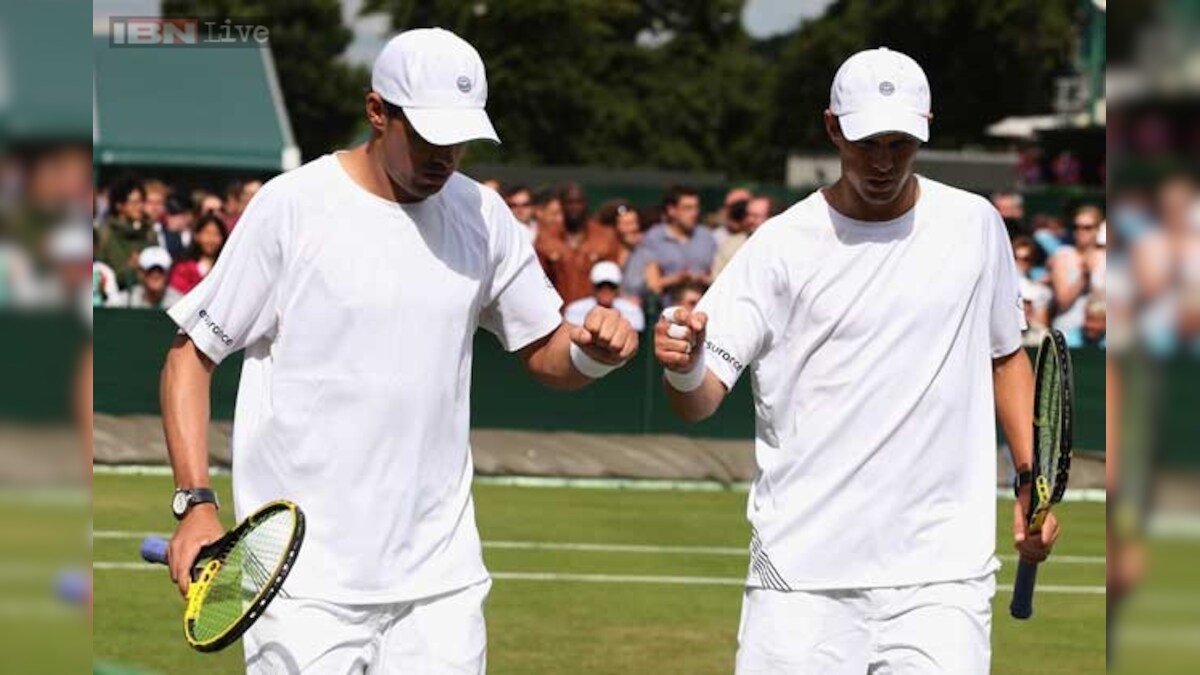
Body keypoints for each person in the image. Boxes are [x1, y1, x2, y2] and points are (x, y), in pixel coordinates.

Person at [161, 28, 637, 675]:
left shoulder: (484, 215)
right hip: (303, 588)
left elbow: (545, 350)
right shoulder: (292, 207)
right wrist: (196, 503)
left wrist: (592, 354)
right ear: (377, 111)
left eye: (459, 138)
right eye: (427, 136)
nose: (445, 155)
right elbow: (188, 358)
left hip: (441, 584)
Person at [654, 47, 1058, 674]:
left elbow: (1005, 359)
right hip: (801, 576)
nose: (883, 160)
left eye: (900, 142)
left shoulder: (976, 225)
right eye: (867, 140)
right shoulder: (780, 245)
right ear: (832, 128)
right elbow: (699, 397)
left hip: (943, 576)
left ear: (925, 127)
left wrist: (1031, 482)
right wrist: (683, 364)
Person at [534, 187, 620, 305]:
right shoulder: (547, 238)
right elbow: (538, 279)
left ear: (586, 204)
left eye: (578, 202)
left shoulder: (604, 237)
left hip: (593, 308)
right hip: (557, 310)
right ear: (562, 205)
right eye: (569, 203)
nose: (574, 207)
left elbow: (613, 279)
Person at [642, 185, 717, 305]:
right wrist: (677, 279)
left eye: (696, 207)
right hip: (667, 310)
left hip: (703, 309)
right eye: (687, 208)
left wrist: (702, 279)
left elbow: (715, 276)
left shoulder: (707, 237)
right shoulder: (654, 239)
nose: (694, 213)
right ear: (672, 210)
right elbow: (652, 284)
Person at [1051, 205, 1105, 336]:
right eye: (1076, 227)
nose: (1081, 231)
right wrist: (1084, 277)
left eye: (1087, 227)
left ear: (1098, 229)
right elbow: (1062, 302)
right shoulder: (1063, 255)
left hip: (1102, 332)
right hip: (1068, 329)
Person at [96, 179, 156, 289]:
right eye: (134, 202)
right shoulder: (105, 235)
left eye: (142, 201)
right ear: (119, 205)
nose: (140, 207)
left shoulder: (149, 232)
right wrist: (130, 268)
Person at [563, 261, 645, 332]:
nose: (606, 291)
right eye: (600, 286)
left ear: (617, 288)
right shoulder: (575, 310)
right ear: (593, 287)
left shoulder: (632, 311)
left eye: (611, 286)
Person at [167, 214, 227, 295]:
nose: (211, 239)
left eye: (216, 234)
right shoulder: (183, 266)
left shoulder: (226, 266)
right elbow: (177, 292)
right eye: (207, 233)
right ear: (197, 236)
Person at [111, 246, 182, 310]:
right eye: (150, 270)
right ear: (141, 273)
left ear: (167, 274)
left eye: (161, 270)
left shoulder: (179, 303)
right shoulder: (127, 300)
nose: (155, 275)